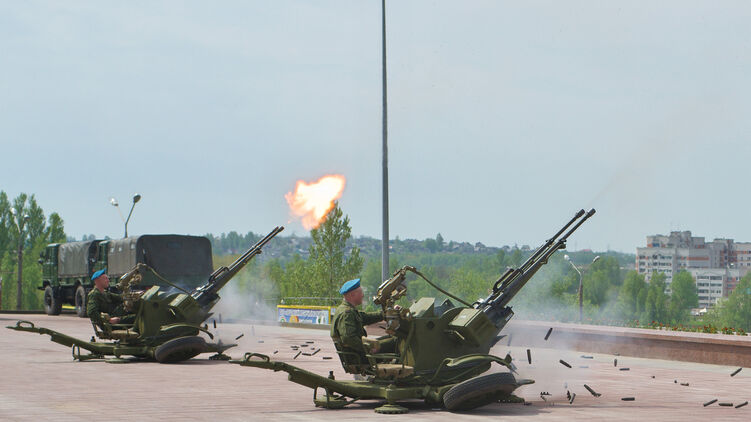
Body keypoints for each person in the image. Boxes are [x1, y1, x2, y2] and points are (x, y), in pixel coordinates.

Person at [330, 278, 396, 374]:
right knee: (396, 341)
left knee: (390, 338)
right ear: (352, 295)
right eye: (360, 292)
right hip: (360, 357)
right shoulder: (347, 313)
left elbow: (365, 317)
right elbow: (348, 338)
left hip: (359, 353)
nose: (363, 295)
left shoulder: (346, 309)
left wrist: (385, 314)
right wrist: (368, 348)